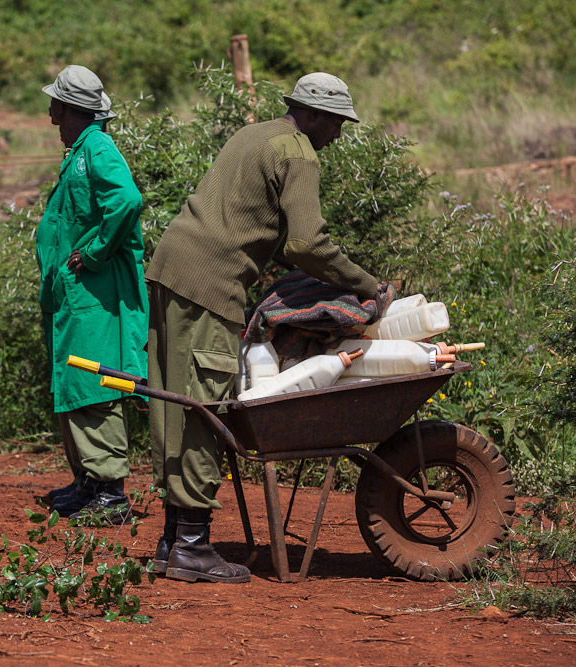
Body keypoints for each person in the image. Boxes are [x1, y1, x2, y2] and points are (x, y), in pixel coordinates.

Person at [144, 72, 382, 583]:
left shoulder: (254, 134)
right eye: (336, 123)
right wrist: (368, 286)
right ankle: (191, 546)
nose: (337, 135)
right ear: (313, 115)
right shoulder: (298, 152)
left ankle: (172, 538)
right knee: (204, 405)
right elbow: (307, 244)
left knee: (174, 400)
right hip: (211, 283)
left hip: (170, 269)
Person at [36, 65, 148, 523]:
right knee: (76, 380)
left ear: (69, 109)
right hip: (78, 295)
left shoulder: (98, 149)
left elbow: (127, 201)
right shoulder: (81, 151)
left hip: (97, 295)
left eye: (55, 106)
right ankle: (88, 482)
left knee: (95, 383)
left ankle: (111, 492)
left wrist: (95, 252)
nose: (50, 115)